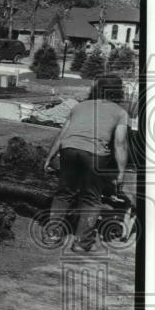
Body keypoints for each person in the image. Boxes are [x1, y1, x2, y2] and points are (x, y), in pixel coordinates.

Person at [43, 74, 130, 252]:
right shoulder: (121, 113)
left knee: (63, 194)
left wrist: (49, 158)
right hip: (94, 154)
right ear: (118, 92)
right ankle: (81, 243)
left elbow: (62, 135)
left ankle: (53, 234)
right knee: (91, 198)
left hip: (69, 149)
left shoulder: (79, 106)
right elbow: (119, 143)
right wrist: (121, 172)